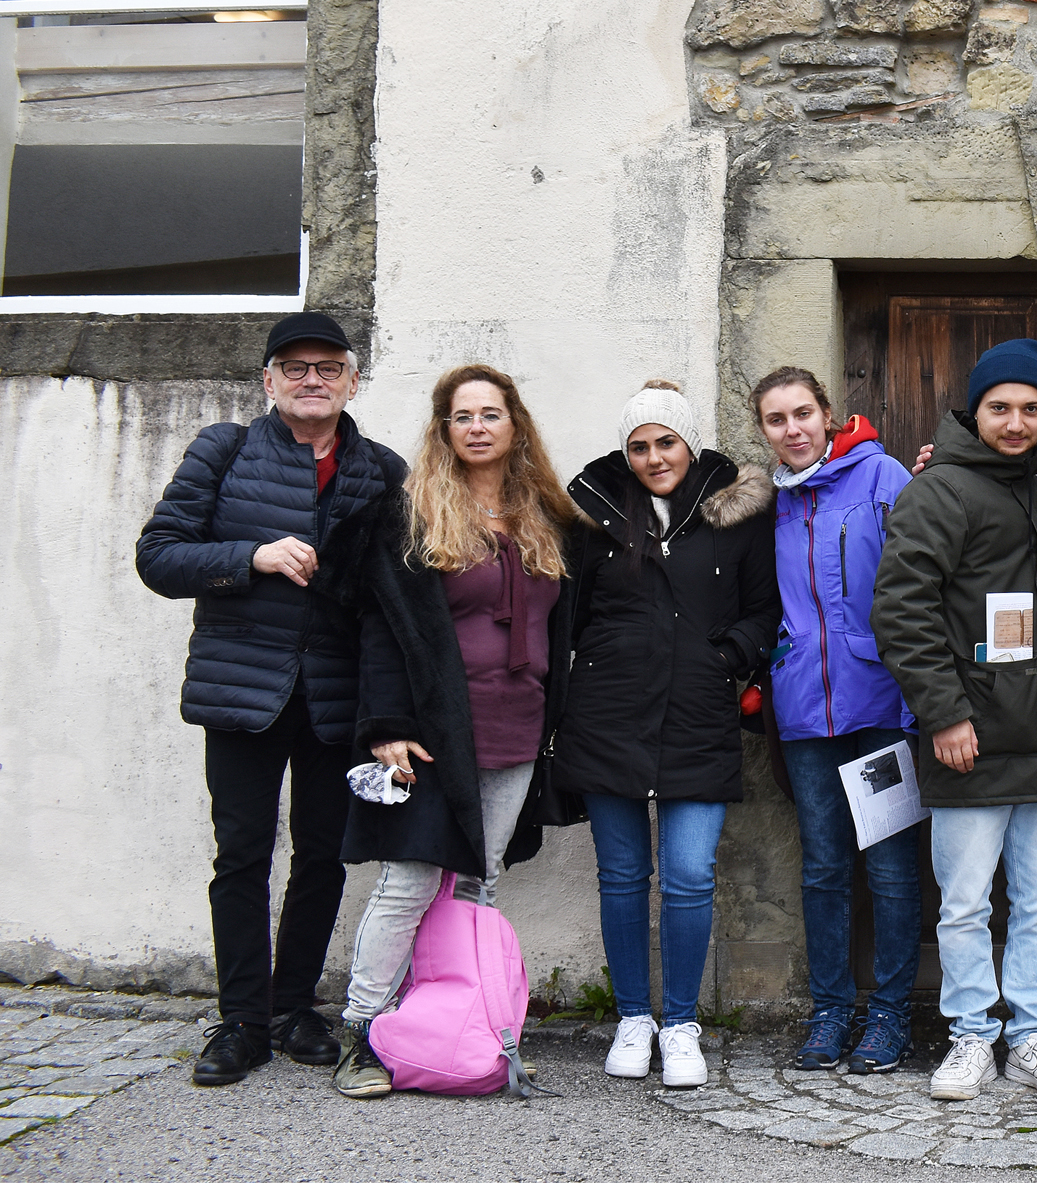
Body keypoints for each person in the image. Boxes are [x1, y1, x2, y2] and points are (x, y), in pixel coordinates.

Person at [135, 312, 407, 1087]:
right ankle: (242, 1020)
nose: (311, 379)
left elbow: (395, 595)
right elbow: (158, 556)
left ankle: (294, 1009)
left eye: (327, 367)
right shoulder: (223, 449)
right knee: (242, 856)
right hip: (241, 691)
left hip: (333, 699)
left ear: (353, 381)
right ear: (268, 381)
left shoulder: (381, 469)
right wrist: (250, 556)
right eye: (295, 367)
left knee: (323, 856)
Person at [872, 338, 1037, 1104]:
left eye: (1031, 409)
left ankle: (1032, 1036)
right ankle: (971, 1036)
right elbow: (901, 610)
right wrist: (942, 714)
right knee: (967, 902)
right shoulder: (939, 492)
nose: (1015, 423)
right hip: (969, 735)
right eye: (1000, 408)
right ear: (972, 410)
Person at [331, 365, 584, 1098]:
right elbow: (381, 628)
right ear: (444, 429)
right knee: (409, 881)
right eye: (462, 415)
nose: (477, 426)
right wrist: (385, 726)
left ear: (515, 426)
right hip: (435, 733)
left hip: (517, 726)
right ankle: (363, 1034)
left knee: (479, 882)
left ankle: (461, 1026)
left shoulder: (545, 514)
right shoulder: (410, 514)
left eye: (491, 414)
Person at [553, 380, 778, 1090]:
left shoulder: (732, 514)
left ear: (690, 443)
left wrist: (726, 659)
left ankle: (680, 1024)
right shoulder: (591, 514)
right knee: (622, 877)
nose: (654, 457)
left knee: (687, 877)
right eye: (640, 445)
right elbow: (567, 614)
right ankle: (632, 1019)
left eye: (666, 442)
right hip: (607, 716)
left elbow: (763, 610)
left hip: (697, 717)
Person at [753, 366, 920, 1075]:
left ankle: (889, 1016)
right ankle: (829, 1013)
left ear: (828, 414)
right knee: (823, 867)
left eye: (802, 414)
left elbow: (922, 587)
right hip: (802, 713)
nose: (792, 430)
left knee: (889, 868)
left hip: (880, 706)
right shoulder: (769, 502)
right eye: (775, 419)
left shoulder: (883, 479)